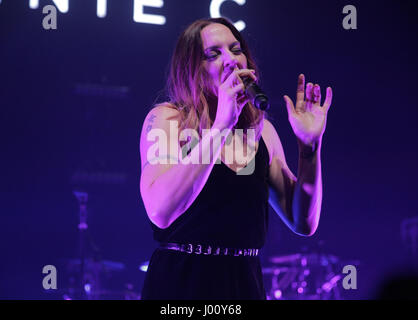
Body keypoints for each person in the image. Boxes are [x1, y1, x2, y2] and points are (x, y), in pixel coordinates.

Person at [139, 17, 333, 300]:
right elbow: (161, 211)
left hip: (244, 282)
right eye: (213, 54)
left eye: (236, 49)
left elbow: (303, 221)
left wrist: (309, 148)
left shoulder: (261, 132)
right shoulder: (169, 120)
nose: (231, 60)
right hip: (182, 283)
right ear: (191, 68)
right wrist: (220, 126)